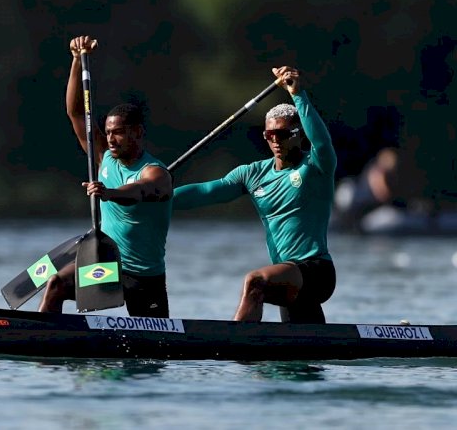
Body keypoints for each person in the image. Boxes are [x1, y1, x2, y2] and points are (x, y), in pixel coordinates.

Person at [173, 66, 336, 324]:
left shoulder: (316, 167)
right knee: (300, 361)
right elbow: (207, 192)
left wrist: (298, 94)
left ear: (298, 134)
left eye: (282, 134)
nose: (275, 140)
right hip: (287, 274)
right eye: (269, 134)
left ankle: (234, 347)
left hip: (316, 271)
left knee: (255, 281)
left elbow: (323, 143)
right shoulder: (253, 173)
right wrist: (157, 200)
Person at [38, 35, 173, 318]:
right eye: (108, 132)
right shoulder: (104, 157)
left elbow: (140, 191)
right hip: (108, 267)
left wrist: (108, 193)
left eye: (119, 132)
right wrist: (76, 60)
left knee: (151, 357)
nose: (111, 139)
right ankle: (43, 341)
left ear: (137, 132)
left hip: (143, 277)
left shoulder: (156, 172)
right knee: (56, 284)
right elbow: (75, 112)